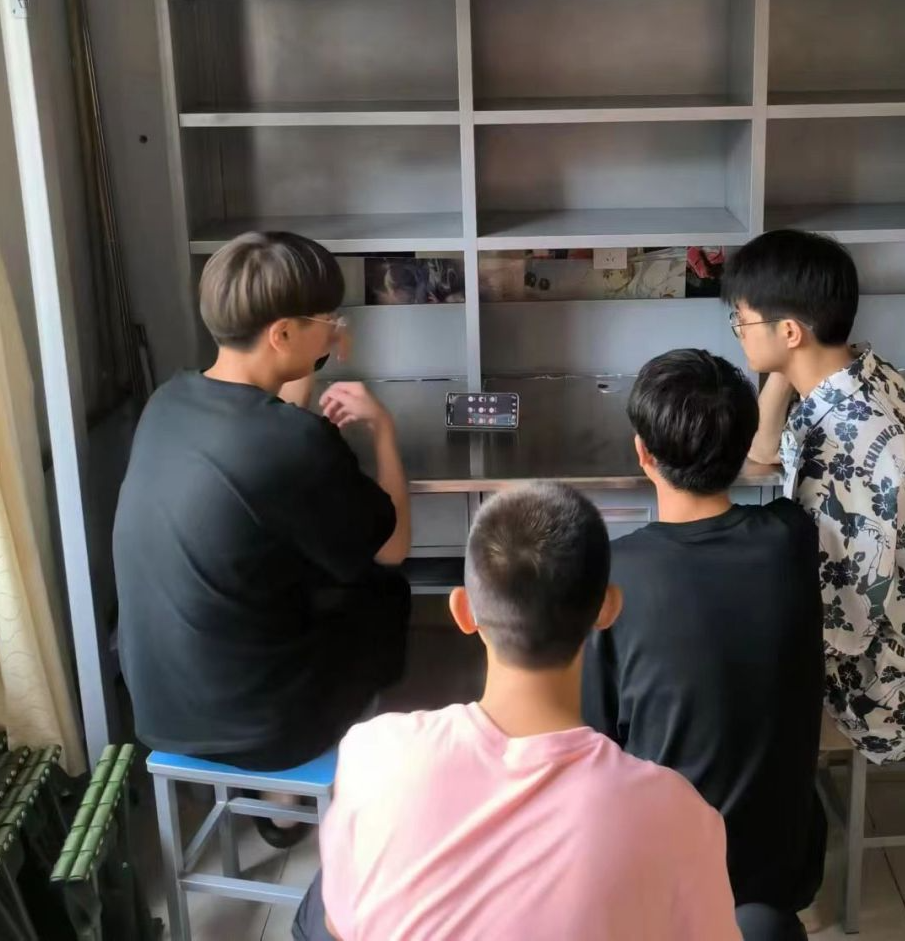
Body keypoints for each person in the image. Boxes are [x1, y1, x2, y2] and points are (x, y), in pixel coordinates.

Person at [294, 482, 743, 941]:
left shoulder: (373, 754)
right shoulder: (679, 815)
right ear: (608, 608)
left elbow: (337, 925)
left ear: (463, 612)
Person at [114, 231, 412, 844]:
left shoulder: (168, 401)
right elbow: (392, 546)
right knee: (384, 592)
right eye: (328, 320)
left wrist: (312, 359)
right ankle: (284, 800)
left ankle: (268, 788)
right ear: (281, 333)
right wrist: (383, 431)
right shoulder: (295, 444)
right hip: (260, 724)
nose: (337, 330)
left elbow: (269, 422)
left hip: (160, 704)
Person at [582, 349, 825, 936]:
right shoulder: (791, 538)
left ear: (643, 453)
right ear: (742, 450)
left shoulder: (613, 574)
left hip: (669, 874)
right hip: (781, 863)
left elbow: (594, 740)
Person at [723, 229, 905, 764]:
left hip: (890, 689)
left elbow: (843, 627)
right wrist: (783, 368)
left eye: (741, 320)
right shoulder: (863, 372)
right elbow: (763, 451)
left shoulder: (845, 452)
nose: (738, 331)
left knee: (713, 682)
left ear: (790, 331)